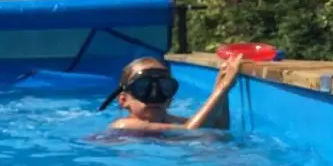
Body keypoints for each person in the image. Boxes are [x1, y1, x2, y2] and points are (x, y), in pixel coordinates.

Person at [98, 54, 242, 132]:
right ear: (123, 100)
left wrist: (222, 90)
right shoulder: (124, 126)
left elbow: (219, 129)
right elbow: (190, 131)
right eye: (143, 88)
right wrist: (223, 88)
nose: (154, 95)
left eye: (164, 87)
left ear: (171, 98)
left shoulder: (173, 121)